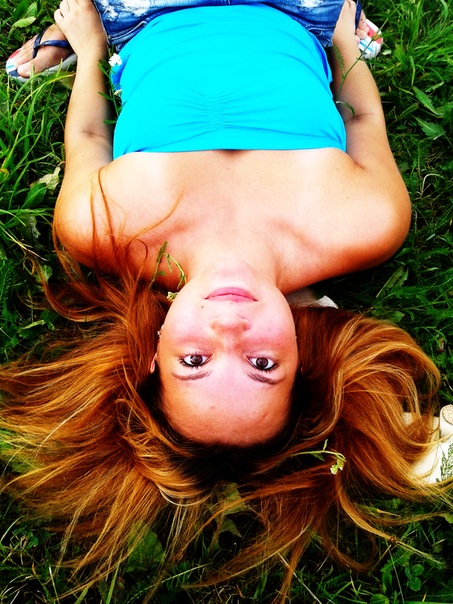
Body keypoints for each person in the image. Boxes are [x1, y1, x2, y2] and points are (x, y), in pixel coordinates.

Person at [1, 0, 451, 600]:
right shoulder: (366, 225)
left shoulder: (100, 228)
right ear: (302, 357)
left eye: (195, 361)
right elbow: (365, 117)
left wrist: (89, 51)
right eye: (262, 364)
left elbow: (87, 135)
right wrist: (343, 41)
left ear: (153, 355)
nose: (230, 329)